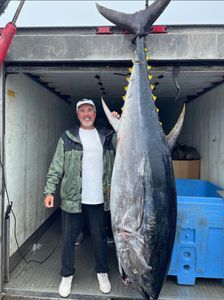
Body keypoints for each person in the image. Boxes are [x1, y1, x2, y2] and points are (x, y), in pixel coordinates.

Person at [43, 99, 119, 298]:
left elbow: (125, 146)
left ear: (95, 114)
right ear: (77, 115)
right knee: (68, 241)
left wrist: (117, 126)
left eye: (90, 110)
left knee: (100, 239)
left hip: (99, 200)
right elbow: (56, 167)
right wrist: (49, 191)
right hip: (72, 199)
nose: (86, 114)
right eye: (82, 111)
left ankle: (102, 273)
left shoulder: (107, 136)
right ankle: (66, 275)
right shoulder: (67, 138)